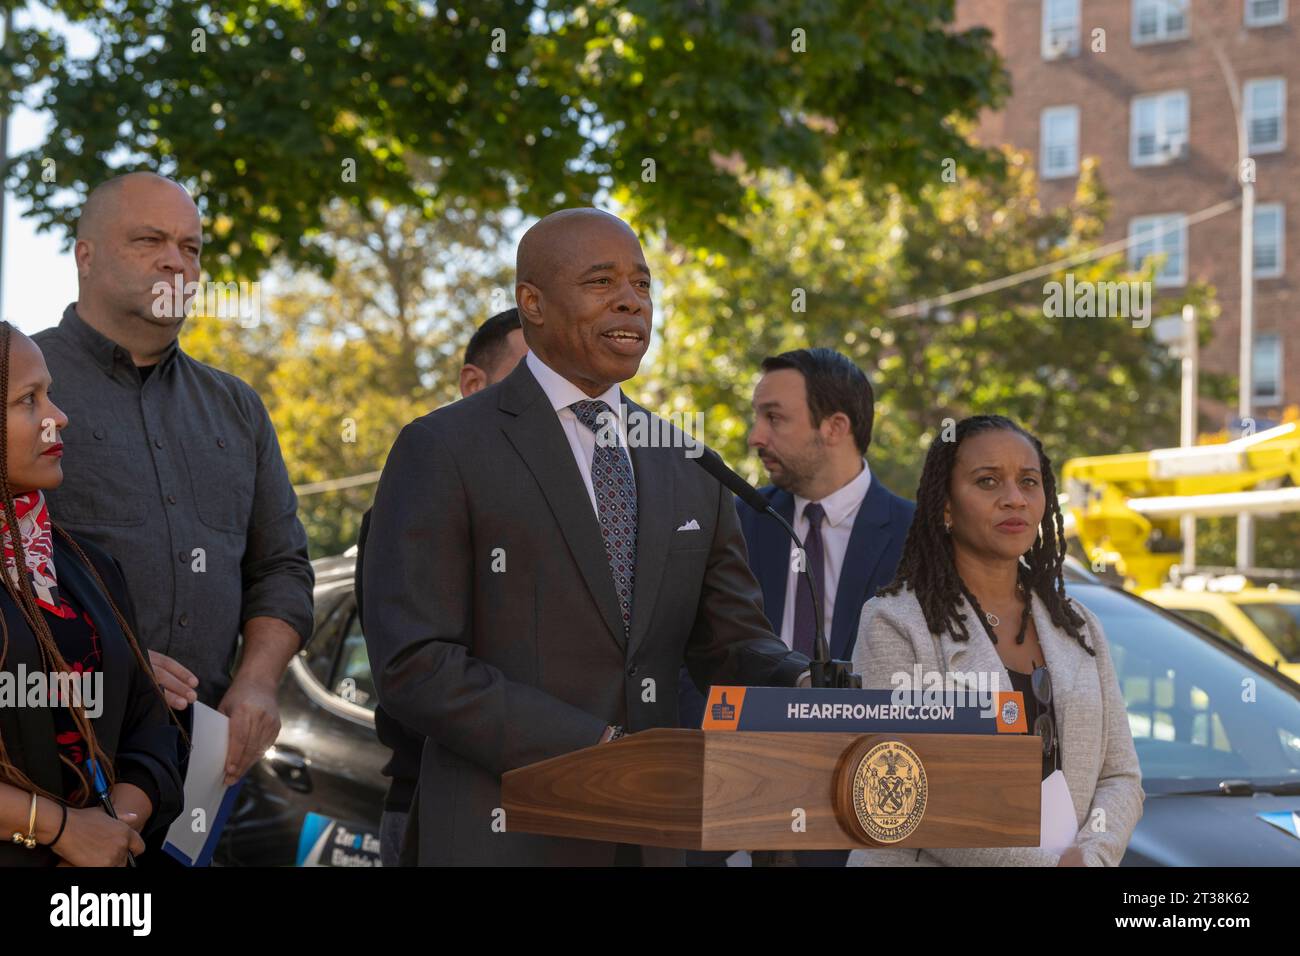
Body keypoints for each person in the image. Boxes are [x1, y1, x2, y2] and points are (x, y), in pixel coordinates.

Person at [362, 207, 811, 866]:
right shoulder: (444, 448)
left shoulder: (688, 463)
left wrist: (802, 687)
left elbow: (730, 643)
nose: (632, 300)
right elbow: (415, 663)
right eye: (602, 282)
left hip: (649, 840)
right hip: (503, 833)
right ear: (532, 303)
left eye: (643, 284)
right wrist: (598, 747)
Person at [35, 172, 314, 792]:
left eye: (190, 248)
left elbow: (282, 568)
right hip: (51, 748)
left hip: (205, 760)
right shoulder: (21, 384)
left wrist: (260, 678)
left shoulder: (237, 408)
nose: (175, 263)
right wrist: (110, 662)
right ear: (85, 255)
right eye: (149, 241)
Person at [849, 414, 1143, 866]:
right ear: (946, 506)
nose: (1014, 499)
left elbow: (1121, 775)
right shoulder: (894, 622)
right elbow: (903, 793)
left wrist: (1091, 857)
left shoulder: (1077, 625)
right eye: (988, 482)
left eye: (1029, 482)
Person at [680, 347, 914, 867]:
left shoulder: (918, 538)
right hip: (732, 809)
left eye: (774, 418)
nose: (755, 436)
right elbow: (692, 655)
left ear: (834, 426)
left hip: (863, 811)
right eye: (757, 417)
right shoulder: (736, 519)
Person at [0, 322, 185, 866]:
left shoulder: (89, 567)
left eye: (49, 394)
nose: (58, 416)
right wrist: (58, 830)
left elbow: (151, 726)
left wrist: (112, 831)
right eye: (27, 400)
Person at [353, 307, 527, 868]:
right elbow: (417, 672)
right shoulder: (418, 495)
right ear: (473, 383)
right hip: (439, 807)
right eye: (531, 379)